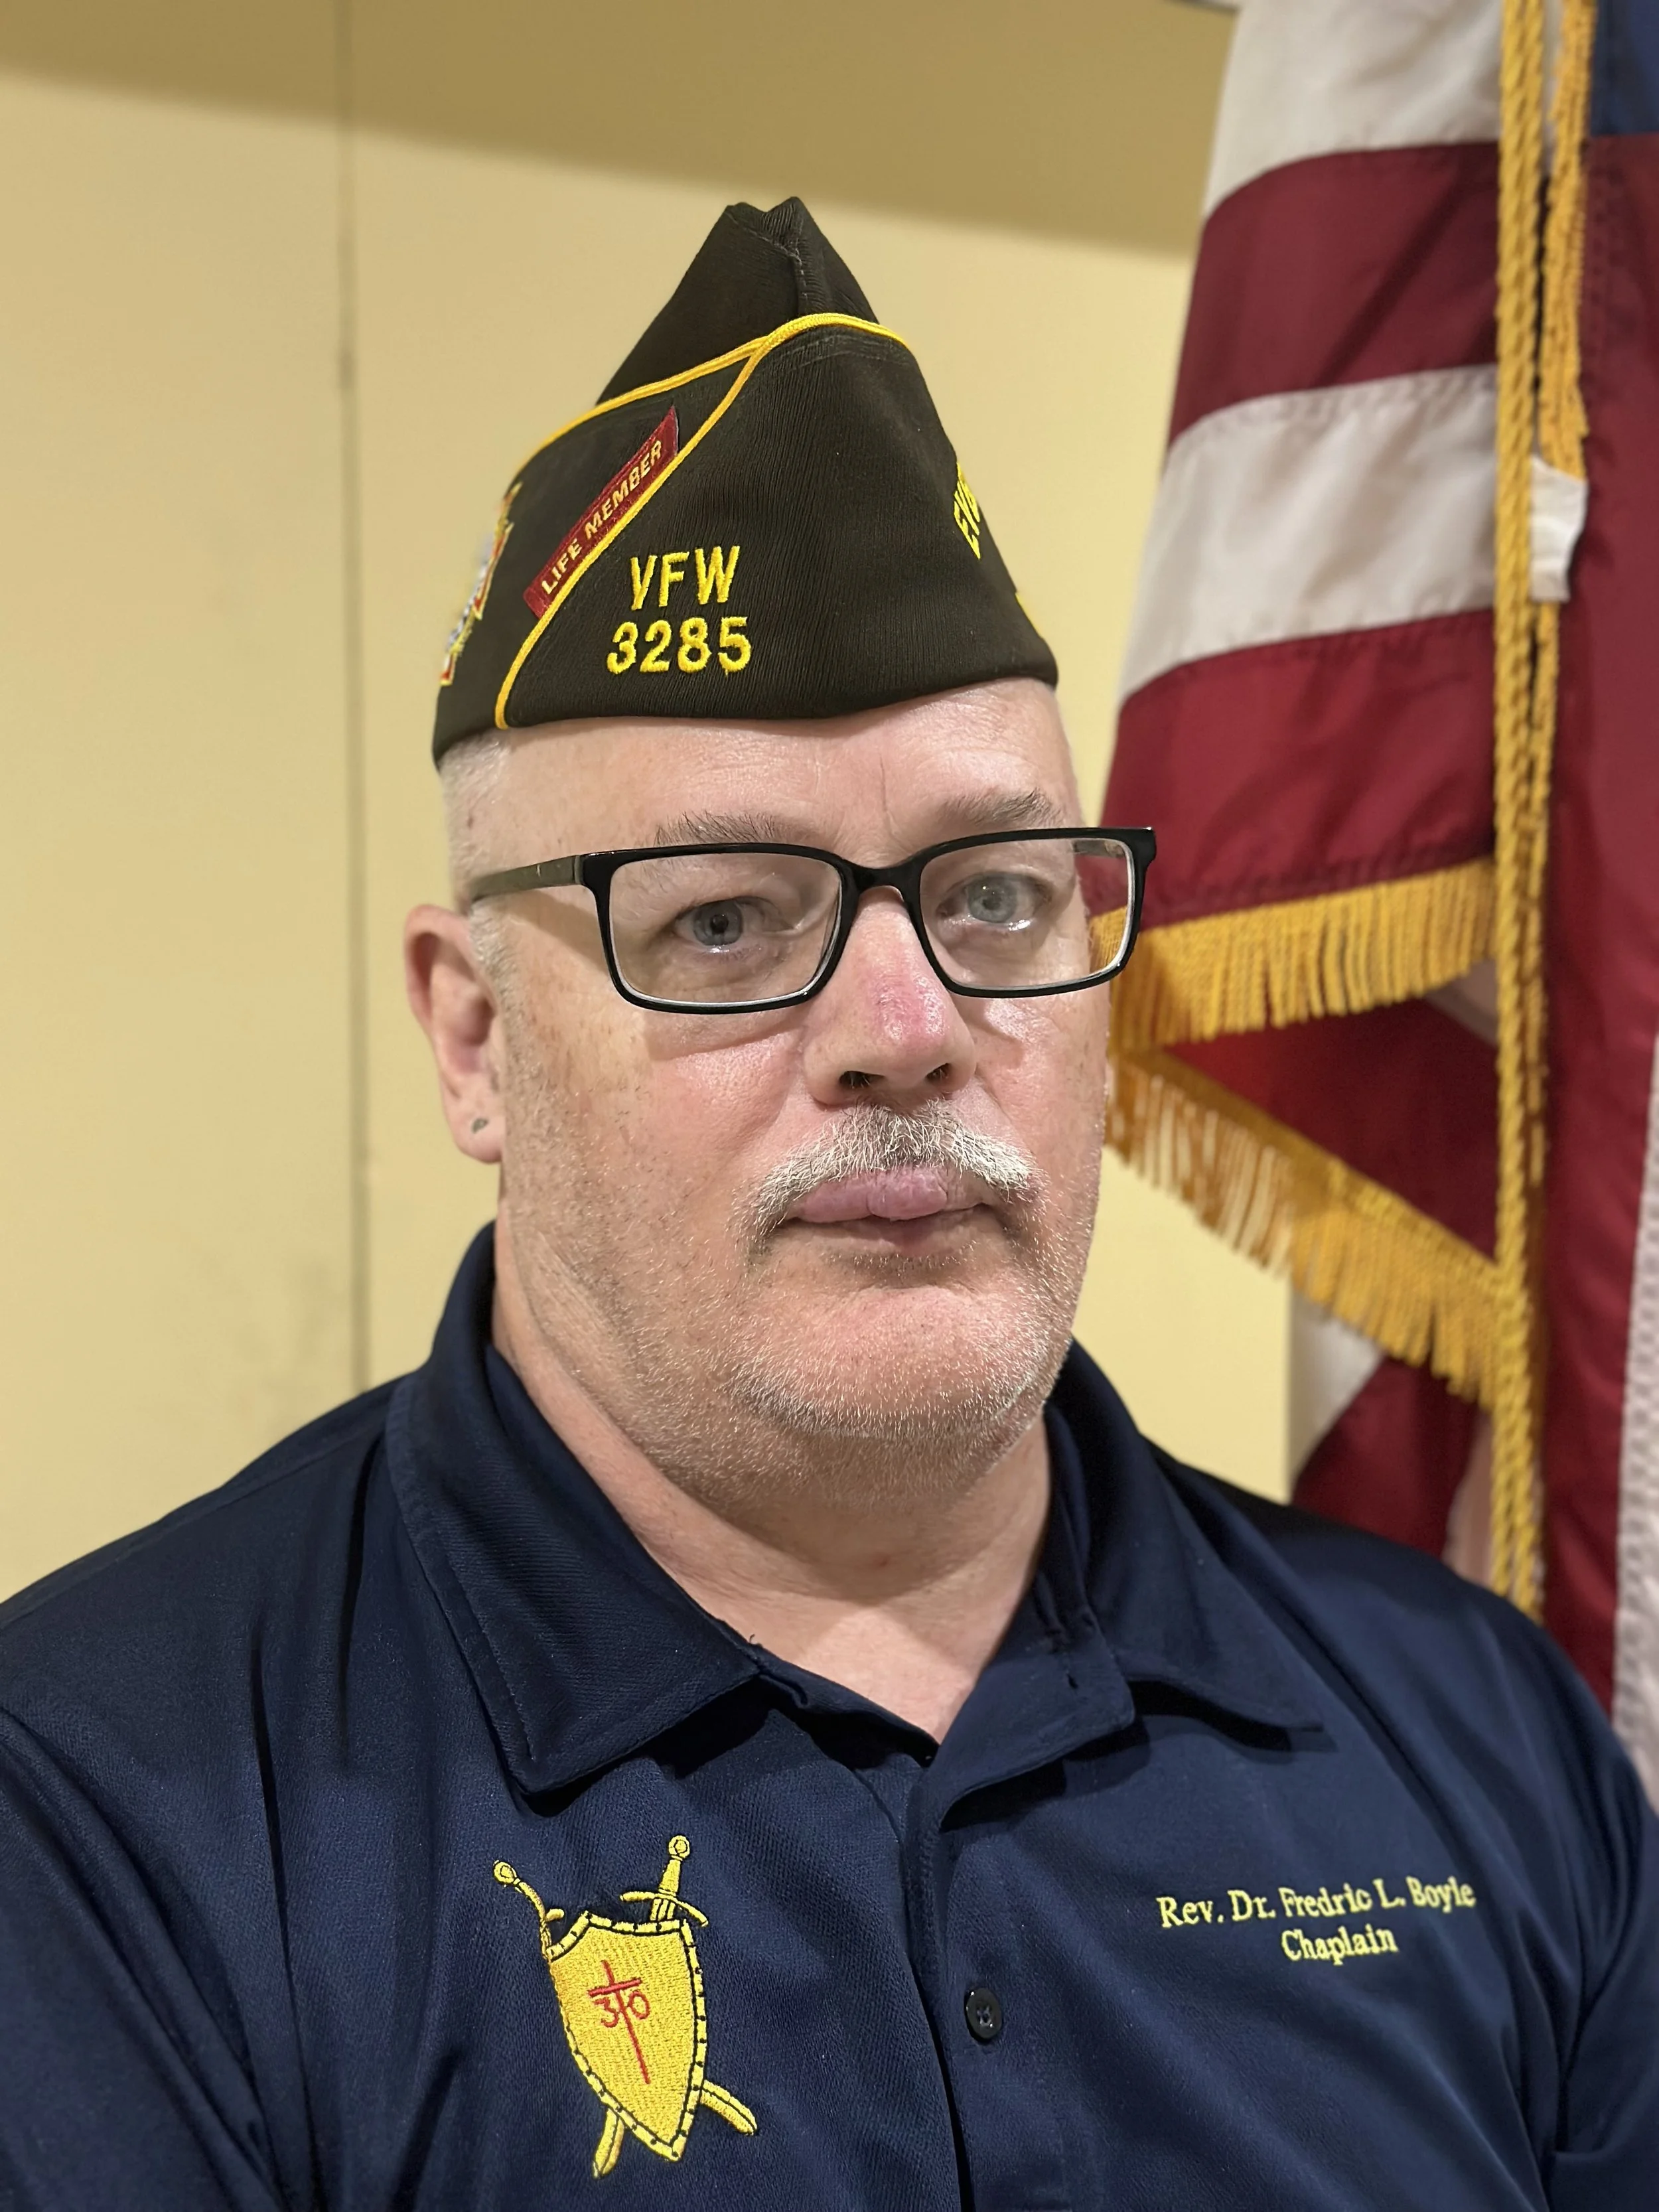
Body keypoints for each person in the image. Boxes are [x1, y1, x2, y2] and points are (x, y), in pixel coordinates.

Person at [0, 198, 1654, 2212]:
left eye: (997, 897)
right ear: (473, 1036)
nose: (907, 1028)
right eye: (722, 921)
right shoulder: (109, 1809)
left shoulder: (1473, 1733)